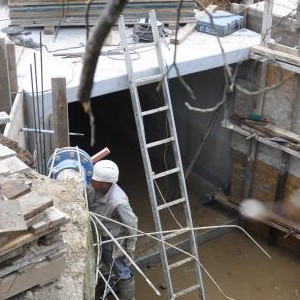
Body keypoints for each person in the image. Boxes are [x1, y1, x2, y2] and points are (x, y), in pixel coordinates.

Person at [87, 159, 138, 300]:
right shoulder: (95, 188)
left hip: (113, 240)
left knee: (121, 269)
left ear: (105, 184)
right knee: (108, 263)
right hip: (102, 235)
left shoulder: (118, 202)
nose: (91, 180)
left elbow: (131, 223)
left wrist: (129, 247)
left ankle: (128, 296)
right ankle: (115, 284)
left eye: (94, 179)